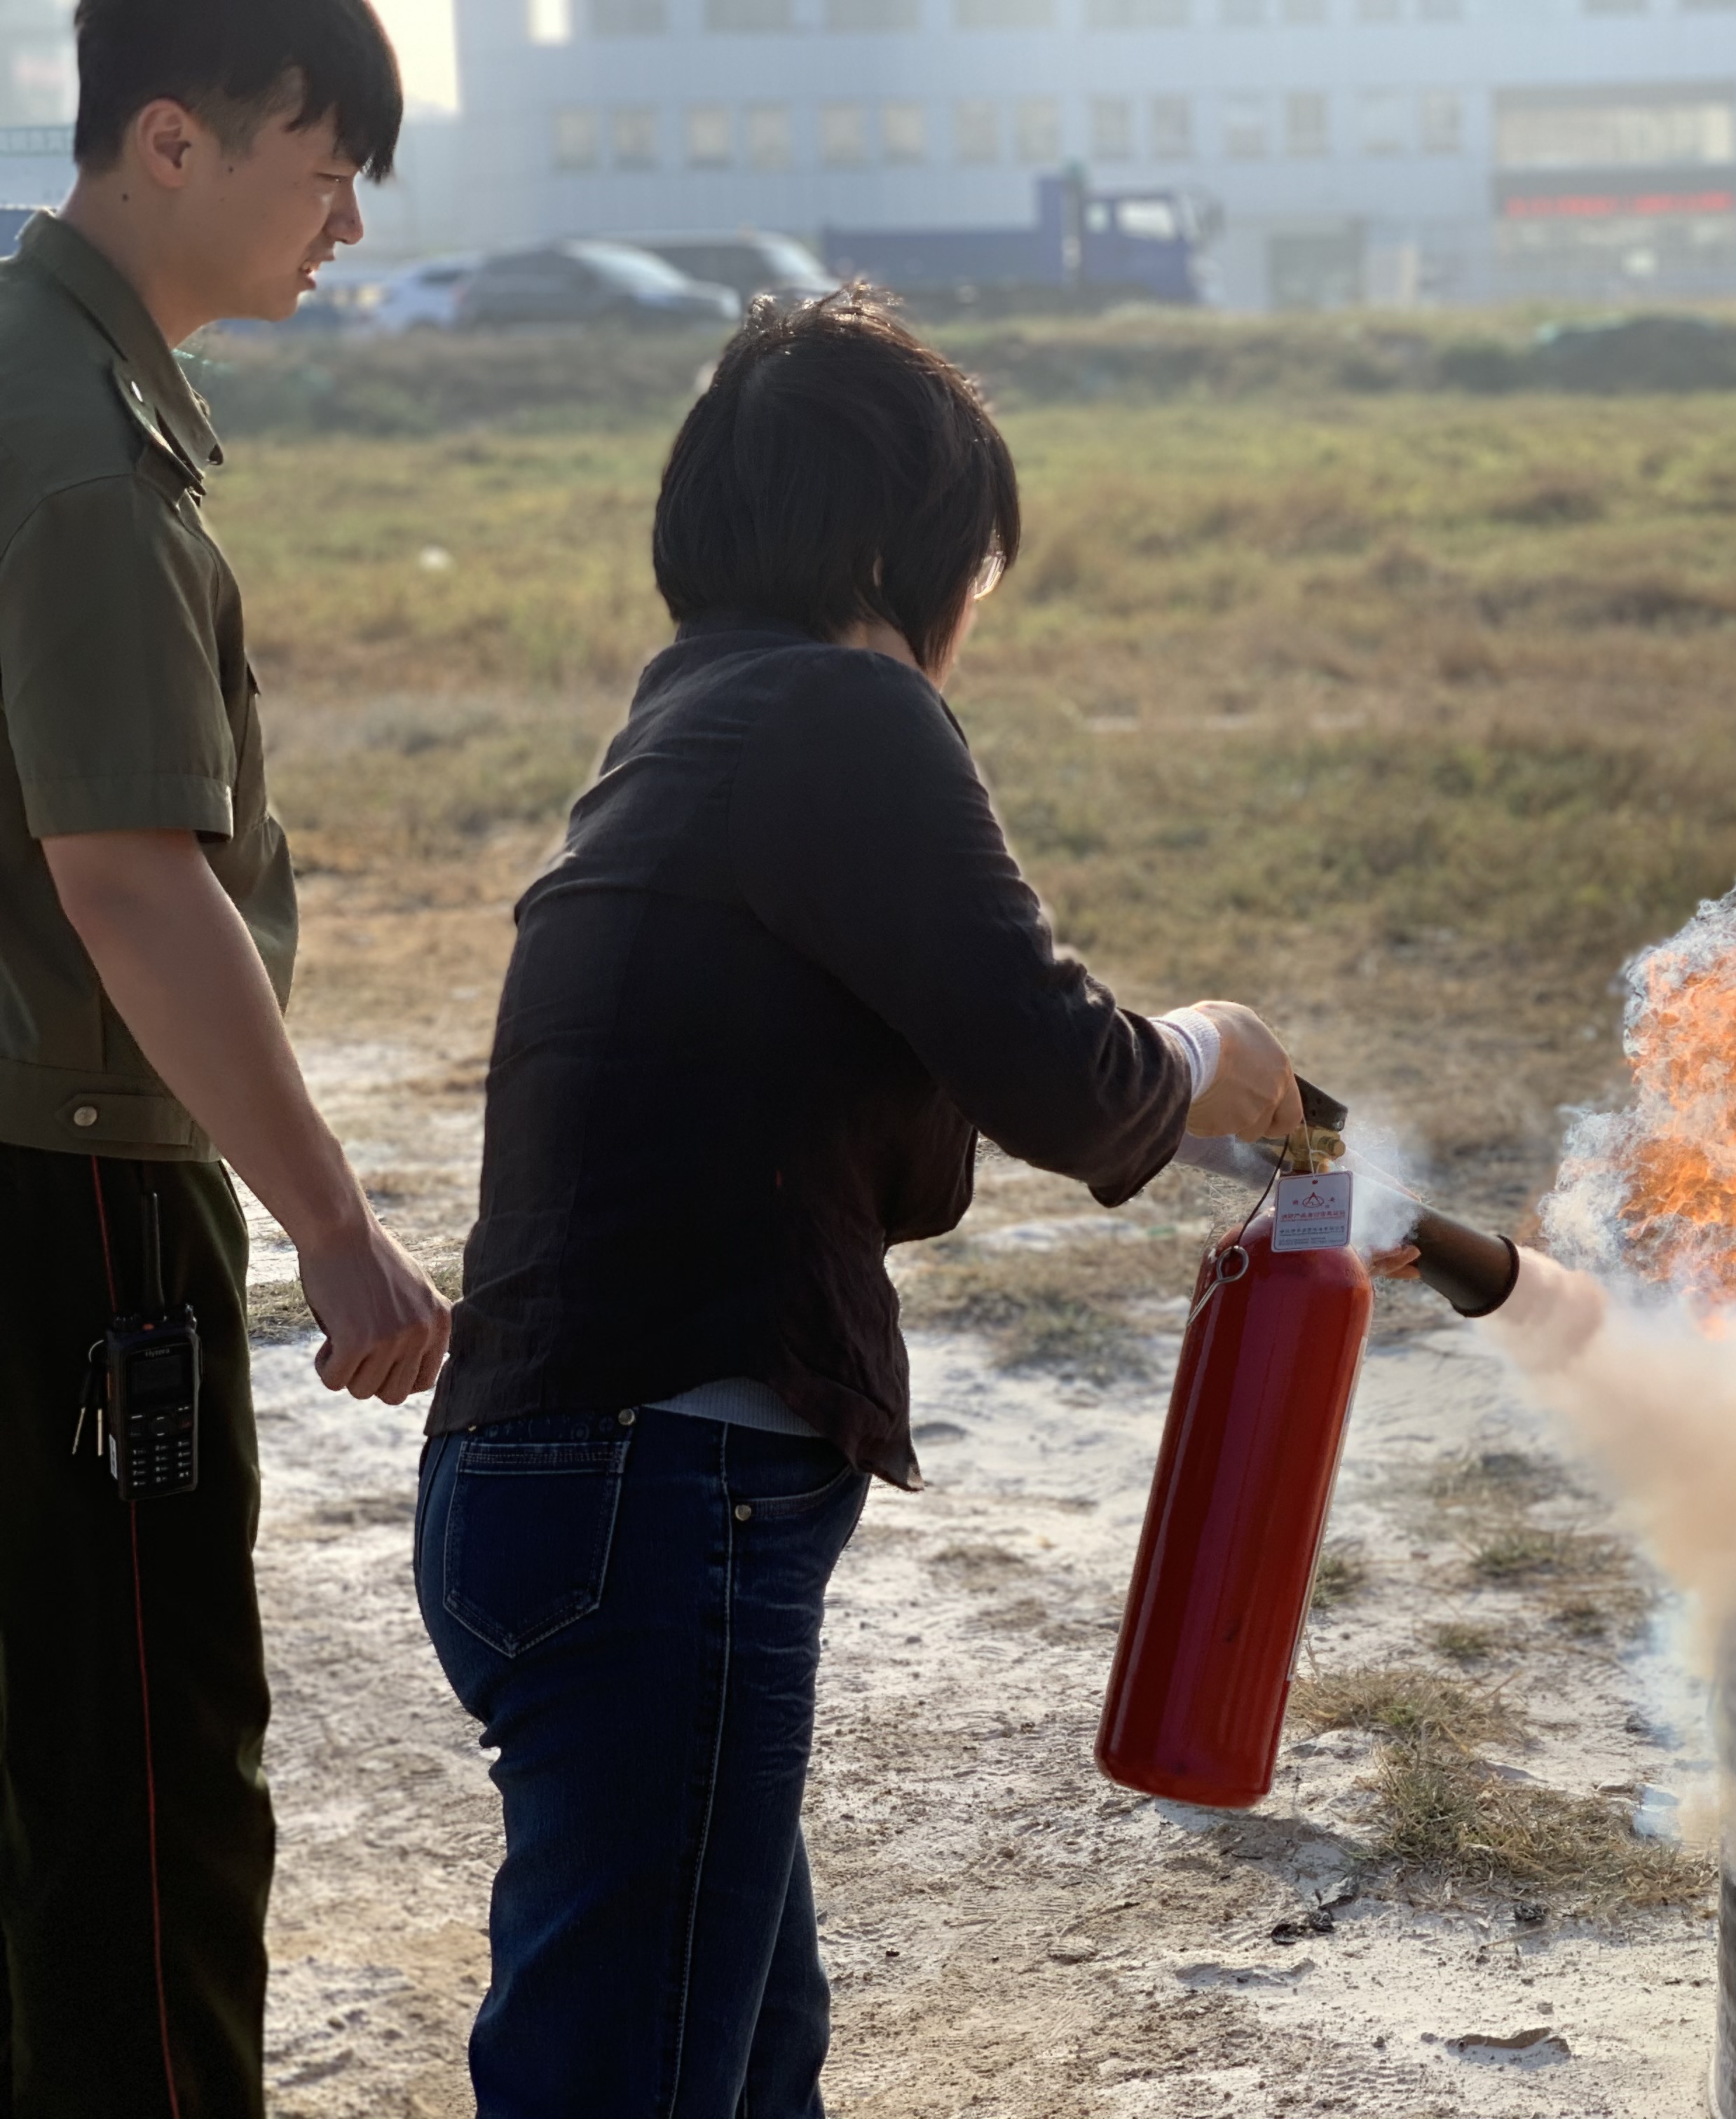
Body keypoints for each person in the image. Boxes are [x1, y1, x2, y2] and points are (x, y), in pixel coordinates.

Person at [416, 288, 1306, 2118]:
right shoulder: (838, 714)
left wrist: (1178, 1097)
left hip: (550, 1487)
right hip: (664, 1494)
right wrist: (1209, 1049)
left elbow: (930, 1072)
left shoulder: (692, 720)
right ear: (919, 552)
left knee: (744, 2054)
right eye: (978, 570)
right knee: (647, 2079)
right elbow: (1061, 1074)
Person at [0, 4, 449, 2115]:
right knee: (145, 1795)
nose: (347, 219)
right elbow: (130, 887)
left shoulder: (45, 381)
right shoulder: (87, 457)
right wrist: (341, 1235)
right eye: (323, 160)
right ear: (168, 142)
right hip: (75, 1200)